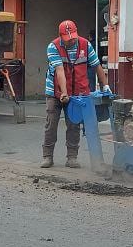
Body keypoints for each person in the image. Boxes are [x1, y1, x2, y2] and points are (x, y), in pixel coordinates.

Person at [43, 19, 109, 169]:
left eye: (73, 36)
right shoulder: (53, 47)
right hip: (55, 91)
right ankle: (47, 156)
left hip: (78, 92)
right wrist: (64, 93)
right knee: (51, 124)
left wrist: (106, 87)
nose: (71, 40)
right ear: (60, 36)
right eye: (67, 38)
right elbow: (60, 71)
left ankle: (72, 157)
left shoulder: (86, 45)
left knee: (74, 124)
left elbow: (97, 66)